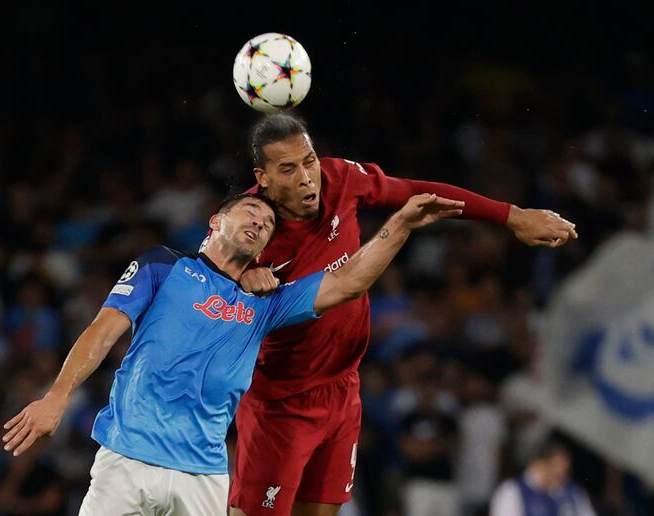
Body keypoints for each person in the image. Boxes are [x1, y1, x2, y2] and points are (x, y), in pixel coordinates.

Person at [1, 191, 464, 515]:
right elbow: (103, 330)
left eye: (267, 225)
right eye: (249, 213)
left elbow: (347, 282)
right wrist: (57, 396)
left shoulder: (268, 302)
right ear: (216, 222)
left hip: (203, 475)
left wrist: (400, 226)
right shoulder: (163, 265)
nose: (260, 223)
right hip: (127, 459)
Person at [227, 113, 578, 516]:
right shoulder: (247, 228)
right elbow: (203, 275)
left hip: (343, 390)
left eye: (309, 161)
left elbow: (415, 191)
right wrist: (237, 273)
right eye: (288, 169)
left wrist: (511, 215)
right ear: (264, 177)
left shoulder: (340, 178)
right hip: (281, 403)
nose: (308, 177)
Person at [490, 439, 596, 516]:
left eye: (565, 472)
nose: (561, 478)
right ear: (539, 465)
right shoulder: (513, 491)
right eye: (555, 472)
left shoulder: (573, 492)